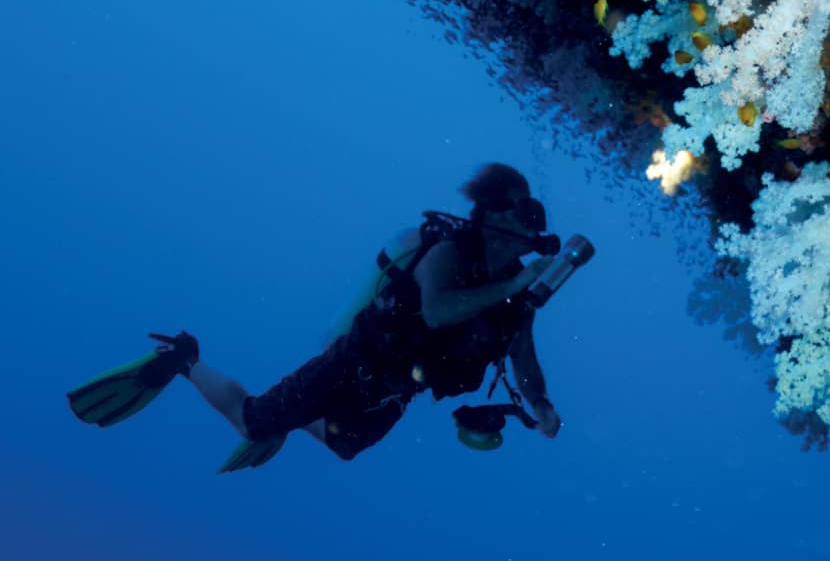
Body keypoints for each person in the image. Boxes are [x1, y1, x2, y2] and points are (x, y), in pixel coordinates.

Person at [68, 163, 583, 471]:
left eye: (535, 214)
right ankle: (183, 359)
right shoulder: (451, 251)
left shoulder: (515, 288)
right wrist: (512, 285)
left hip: (396, 389)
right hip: (354, 362)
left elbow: (522, 350)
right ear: (492, 212)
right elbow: (437, 309)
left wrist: (539, 401)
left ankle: (299, 416)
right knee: (254, 423)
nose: (535, 222)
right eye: (526, 210)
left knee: (344, 447)